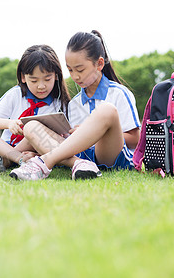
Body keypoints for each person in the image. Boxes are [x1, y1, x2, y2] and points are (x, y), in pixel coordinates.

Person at [10, 30, 141, 180]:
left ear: (99, 64)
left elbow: (134, 139)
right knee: (31, 126)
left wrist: (92, 134)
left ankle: (45, 162)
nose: (75, 76)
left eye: (80, 69)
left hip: (112, 156)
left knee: (106, 110)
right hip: (83, 157)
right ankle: (73, 163)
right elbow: (69, 143)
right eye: (70, 70)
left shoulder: (118, 93)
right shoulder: (74, 103)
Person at [0, 44, 71, 173]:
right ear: (23, 77)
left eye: (47, 79)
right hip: (1, 149)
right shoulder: (16, 94)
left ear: (56, 75)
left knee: (33, 129)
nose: (41, 86)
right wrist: (9, 123)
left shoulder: (61, 103)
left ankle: (4, 162)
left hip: (32, 152)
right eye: (34, 80)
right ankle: (15, 158)